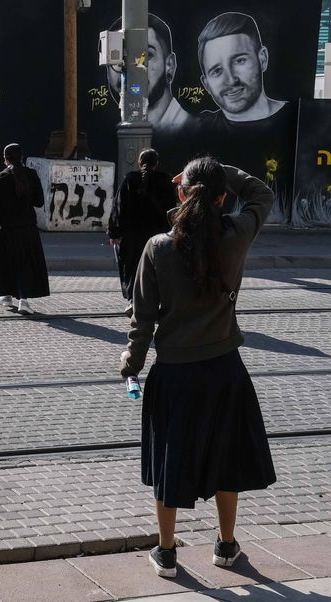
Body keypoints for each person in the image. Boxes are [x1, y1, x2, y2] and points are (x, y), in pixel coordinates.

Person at [120, 157, 277, 579]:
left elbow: (142, 321)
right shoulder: (237, 235)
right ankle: (226, 545)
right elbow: (262, 194)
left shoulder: (158, 248)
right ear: (223, 198)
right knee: (227, 458)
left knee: (170, 462)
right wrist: (225, 168)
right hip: (226, 370)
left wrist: (130, 366)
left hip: (174, 374)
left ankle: (167, 552)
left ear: (180, 193)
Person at [108, 149, 176, 314]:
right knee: (157, 269)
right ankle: (156, 302)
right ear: (156, 163)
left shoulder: (130, 180)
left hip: (133, 237)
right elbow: (172, 210)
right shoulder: (166, 181)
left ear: (139, 163)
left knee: (132, 268)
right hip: (159, 236)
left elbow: (118, 208)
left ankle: (133, 300)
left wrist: (114, 233)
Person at [104, 14, 194, 135]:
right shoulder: (108, 135)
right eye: (117, 57)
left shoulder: (191, 129)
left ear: (170, 65)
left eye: (146, 55)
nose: (129, 68)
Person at [197, 12, 286, 128]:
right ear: (206, 84)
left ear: (262, 59)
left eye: (239, 61)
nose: (231, 80)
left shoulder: (301, 119)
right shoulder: (197, 128)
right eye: (217, 71)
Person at [0, 143, 50, 315]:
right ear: (21, 157)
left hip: (7, 230)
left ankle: (6, 296)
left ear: (5, 158)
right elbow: (39, 202)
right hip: (28, 228)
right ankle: (24, 300)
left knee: (7, 263)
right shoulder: (31, 174)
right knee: (25, 263)